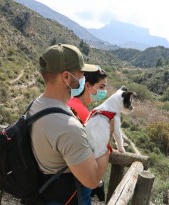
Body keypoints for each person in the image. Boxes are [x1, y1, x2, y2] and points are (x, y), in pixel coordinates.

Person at [29, 43, 111, 205]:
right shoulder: (68, 127)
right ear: (66, 77)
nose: (83, 79)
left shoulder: (35, 106)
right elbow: (92, 180)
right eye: (81, 75)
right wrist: (105, 144)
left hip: (42, 193)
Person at [67, 66, 109, 202]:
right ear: (88, 86)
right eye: (101, 87)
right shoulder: (85, 115)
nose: (104, 91)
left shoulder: (70, 102)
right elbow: (99, 150)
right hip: (76, 187)